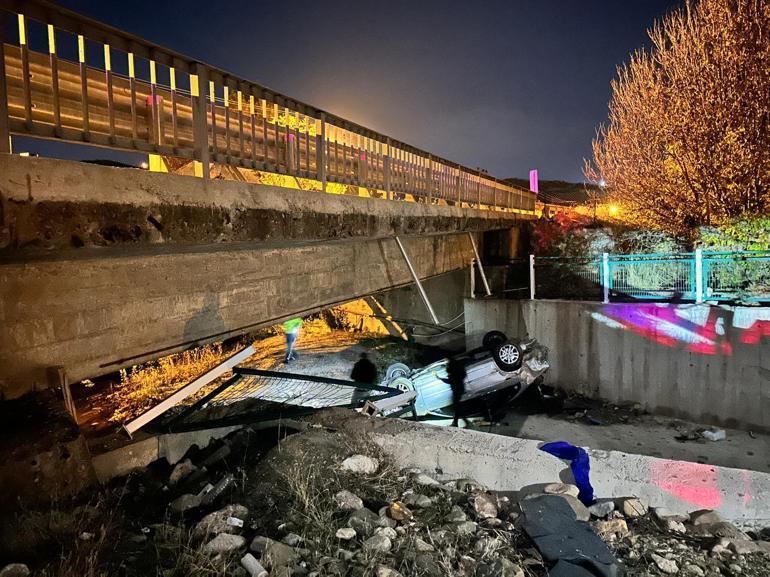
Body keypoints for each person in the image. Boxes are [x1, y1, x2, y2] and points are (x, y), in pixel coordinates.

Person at [444, 357, 469, 427]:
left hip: (457, 389)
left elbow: (451, 381)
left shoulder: (453, 370)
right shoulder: (458, 367)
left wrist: (441, 379)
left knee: (457, 407)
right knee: (457, 406)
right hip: (460, 388)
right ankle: (457, 422)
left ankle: (459, 422)